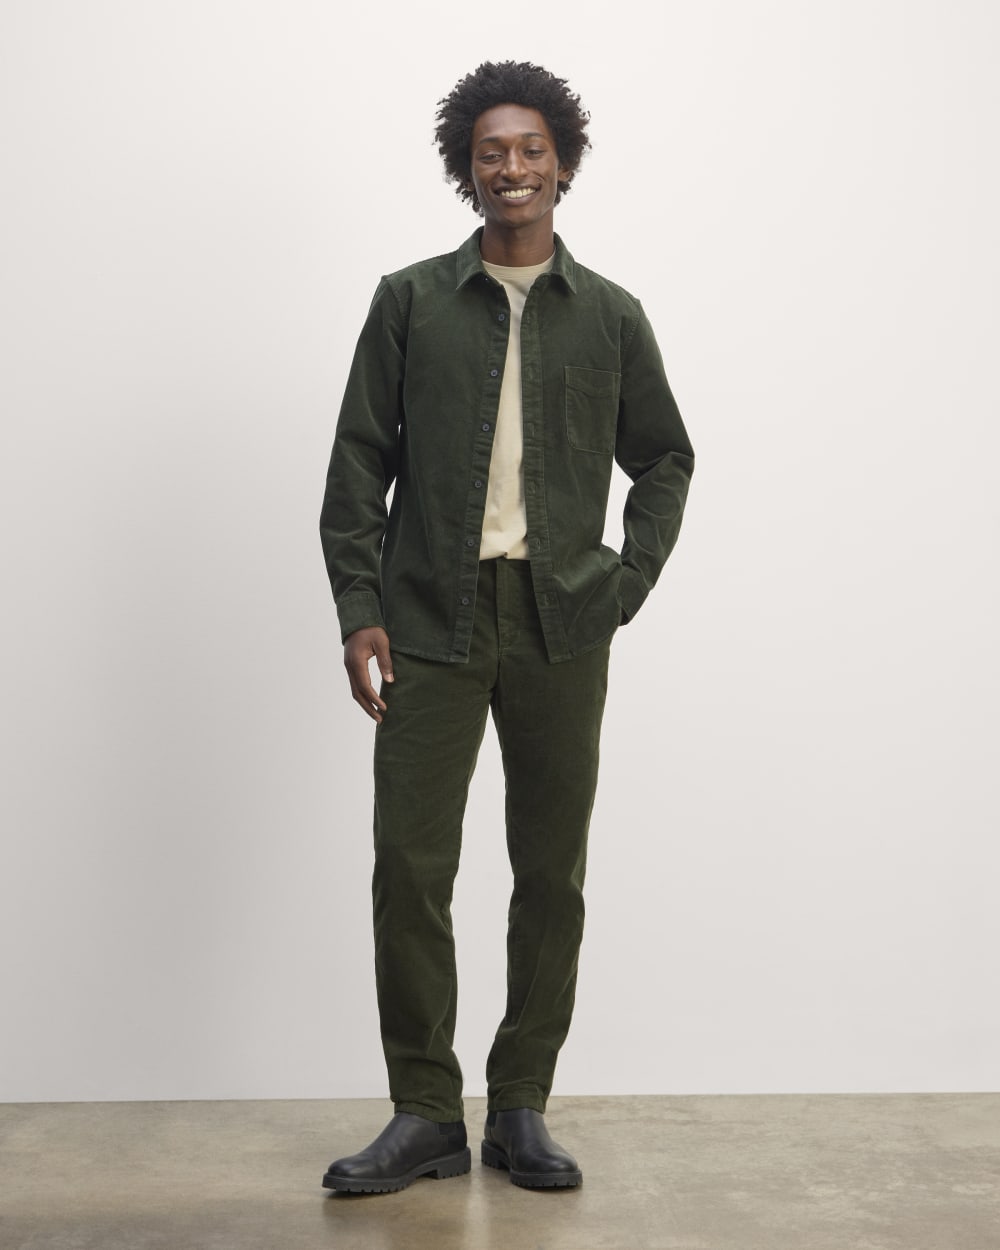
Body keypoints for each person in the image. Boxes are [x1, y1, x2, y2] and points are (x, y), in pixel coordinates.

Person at [318, 60, 694, 1194]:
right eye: (492, 151)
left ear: (562, 164)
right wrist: (359, 607)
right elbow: (358, 464)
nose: (512, 166)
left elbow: (665, 457)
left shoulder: (612, 316)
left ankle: (520, 1103)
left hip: (560, 625)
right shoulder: (409, 302)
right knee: (409, 865)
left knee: (550, 871)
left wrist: (623, 581)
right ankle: (425, 1112)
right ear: (466, 168)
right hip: (427, 622)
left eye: (531, 149)